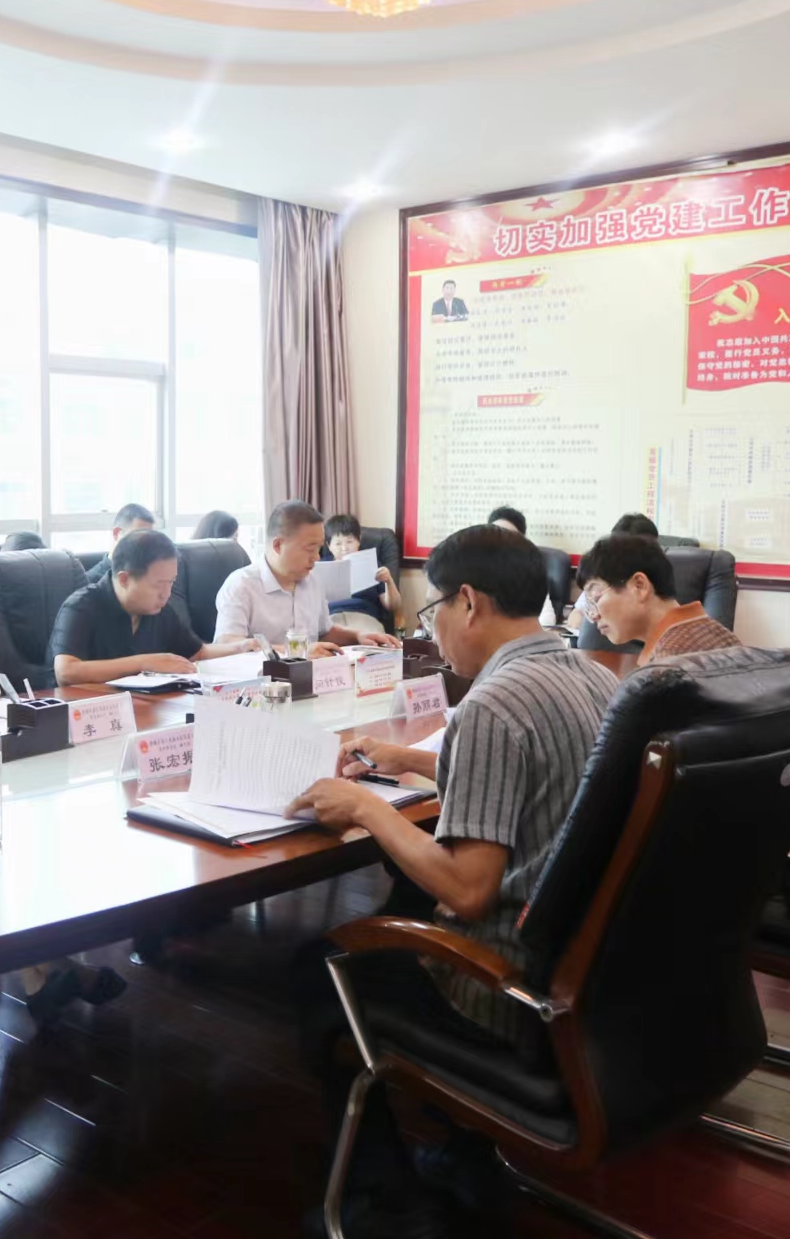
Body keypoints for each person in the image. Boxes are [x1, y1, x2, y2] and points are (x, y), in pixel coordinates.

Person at [291, 526, 619, 1238]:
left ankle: (381, 1202)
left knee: (321, 972)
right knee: (402, 896)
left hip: (508, 985)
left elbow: (467, 891)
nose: (430, 625)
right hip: (594, 970)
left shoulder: (491, 705)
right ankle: (466, 1152)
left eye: (433, 607)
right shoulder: (593, 673)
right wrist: (412, 760)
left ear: (468, 601)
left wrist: (365, 807)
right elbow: (538, 780)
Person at [49, 530, 260, 686]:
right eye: (158, 584)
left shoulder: (160, 610)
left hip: (142, 709)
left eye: (171, 582)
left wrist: (241, 647)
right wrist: (144, 663)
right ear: (124, 579)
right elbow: (67, 672)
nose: (166, 593)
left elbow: (197, 653)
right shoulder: (81, 606)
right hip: (84, 713)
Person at [213, 501, 401, 657]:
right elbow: (228, 646)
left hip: (312, 680)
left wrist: (358, 635)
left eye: (319, 549)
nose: (317, 557)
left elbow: (324, 632)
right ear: (278, 545)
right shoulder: (241, 585)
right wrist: (297, 652)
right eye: (310, 549)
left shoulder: (313, 581)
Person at [577, 532, 739, 663]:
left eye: (595, 598)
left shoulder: (666, 665)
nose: (593, 616)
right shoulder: (721, 636)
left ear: (639, 586)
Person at [324, 514, 401, 631]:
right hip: (330, 619)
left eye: (349, 541)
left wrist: (389, 581)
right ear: (329, 545)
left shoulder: (372, 564)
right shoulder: (320, 566)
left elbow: (393, 606)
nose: (344, 548)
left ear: (358, 541)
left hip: (364, 619)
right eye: (338, 543)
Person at [81, 503, 156, 587]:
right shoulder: (91, 584)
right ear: (116, 533)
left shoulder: (150, 576)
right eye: (137, 536)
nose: (145, 545)